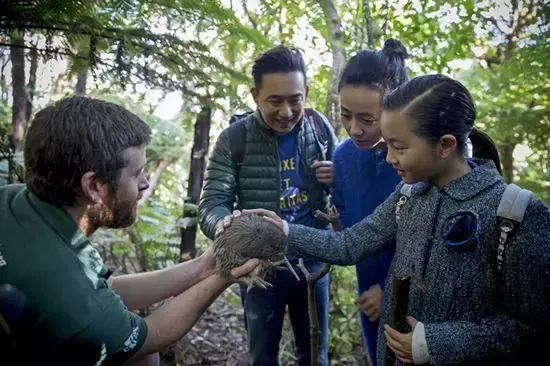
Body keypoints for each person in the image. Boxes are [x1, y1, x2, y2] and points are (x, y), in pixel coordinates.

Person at [232, 75, 550, 365]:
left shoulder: (514, 216)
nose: (388, 158)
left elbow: (532, 327)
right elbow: (349, 244)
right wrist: (282, 231)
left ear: (446, 145)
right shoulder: (408, 196)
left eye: (398, 147)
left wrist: (433, 344)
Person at [0, 97, 261, 366]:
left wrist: (203, 266)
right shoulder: (65, 291)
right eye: (137, 174)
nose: (145, 184)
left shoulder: (15, 200)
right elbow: (150, 336)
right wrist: (222, 276)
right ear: (94, 186)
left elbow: (103, 291)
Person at [199, 45, 338, 365]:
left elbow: (341, 195)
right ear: (255, 95)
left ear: (307, 92)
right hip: (259, 269)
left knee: (316, 353)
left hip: (313, 261)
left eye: (295, 100)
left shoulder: (319, 130)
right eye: (275, 101)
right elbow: (212, 203)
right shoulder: (234, 139)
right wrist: (226, 227)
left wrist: (336, 178)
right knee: (262, 356)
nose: (286, 112)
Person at [332, 38, 408, 365]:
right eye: (346, 115)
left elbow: (429, 239)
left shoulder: (415, 159)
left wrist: (388, 288)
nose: (354, 129)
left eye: (367, 119)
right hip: (369, 302)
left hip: (415, 300)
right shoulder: (343, 157)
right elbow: (352, 233)